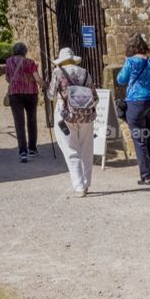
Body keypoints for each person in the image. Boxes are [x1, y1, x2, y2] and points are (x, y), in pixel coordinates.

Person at [47, 47, 98, 196]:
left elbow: (51, 95)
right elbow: (95, 97)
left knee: (71, 150)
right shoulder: (85, 73)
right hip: (86, 117)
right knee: (86, 149)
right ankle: (86, 182)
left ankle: (79, 186)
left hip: (65, 115)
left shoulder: (57, 72)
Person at [117, 33, 150, 185]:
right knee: (149, 136)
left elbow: (120, 79)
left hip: (135, 103)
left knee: (139, 139)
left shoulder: (130, 62)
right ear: (144, 47)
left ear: (131, 48)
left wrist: (126, 64)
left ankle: (146, 175)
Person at [4, 42, 41, 162]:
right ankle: (32, 148)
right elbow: (37, 79)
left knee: (19, 123)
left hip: (15, 94)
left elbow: (8, 78)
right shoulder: (30, 62)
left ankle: (23, 152)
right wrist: (44, 84)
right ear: (25, 51)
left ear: (14, 51)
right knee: (32, 120)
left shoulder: (8, 61)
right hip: (31, 94)